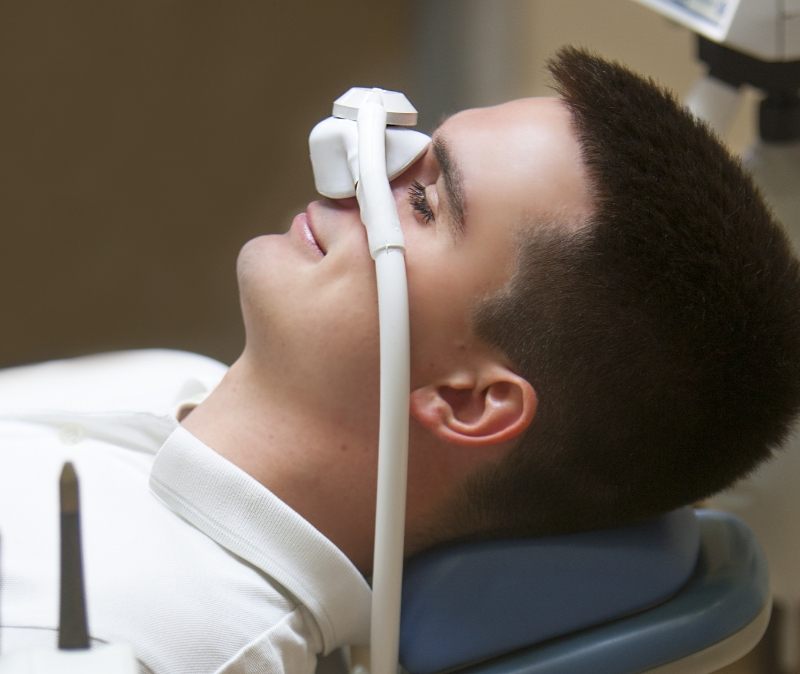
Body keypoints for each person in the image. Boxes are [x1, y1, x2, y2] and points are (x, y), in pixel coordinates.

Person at [2, 46, 800, 673]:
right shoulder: (170, 382)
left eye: (423, 201)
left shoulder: (152, 647)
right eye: (410, 152)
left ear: (467, 401)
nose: (360, 173)